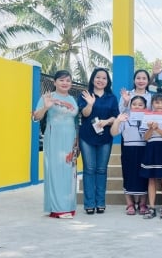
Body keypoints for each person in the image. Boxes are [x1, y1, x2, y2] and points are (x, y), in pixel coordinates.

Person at [33, 70, 79, 219]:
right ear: (54, 82)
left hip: (70, 138)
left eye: (68, 80)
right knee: (55, 171)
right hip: (54, 138)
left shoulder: (73, 99)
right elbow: (35, 117)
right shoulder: (48, 97)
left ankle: (69, 207)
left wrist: (76, 141)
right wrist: (46, 107)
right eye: (61, 80)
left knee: (69, 173)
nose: (65, 83)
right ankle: (57, 208)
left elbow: (75, 121)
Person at [78, 68, 119, 215]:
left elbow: (116, 116)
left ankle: (100, 202)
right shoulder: (85, 94)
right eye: (98, 77)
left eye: (104, 78)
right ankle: (89, 203)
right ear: (93, 79)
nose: (100, 80)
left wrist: (106, 121)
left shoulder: (112, 98)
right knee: (89, 169)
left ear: (107, 81)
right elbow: (84, 114)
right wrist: (90, 103)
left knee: (101, 169)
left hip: (105, 137)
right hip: (87, 136)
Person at [139, 94, 162, 219]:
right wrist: (150, 129)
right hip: (151, 149)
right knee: (151, 179)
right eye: (157, 102)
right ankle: (152, 207)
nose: (159, 105)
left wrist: (157, 128)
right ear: (152, 104)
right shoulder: (146, 117)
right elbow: (145, 137)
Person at [111, 95, 149, 216]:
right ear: (130, 106)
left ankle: (143, 203)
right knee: (128, 176)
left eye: (140, 104)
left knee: (144, 177)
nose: (137, 106)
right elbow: (113, 133)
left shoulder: (148, 118)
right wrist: (117, 120)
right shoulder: (125, 117)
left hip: (144, 150)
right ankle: (130, 204)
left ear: (145, 106)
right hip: (128, 150)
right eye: (134, 104)